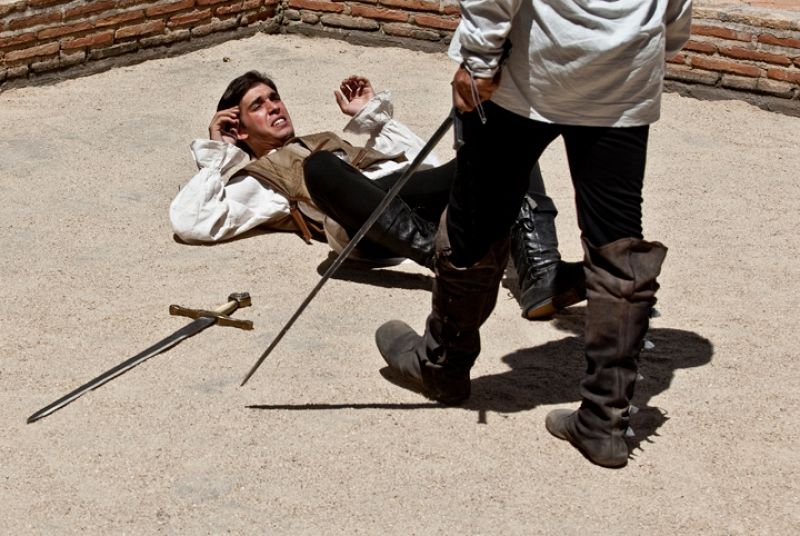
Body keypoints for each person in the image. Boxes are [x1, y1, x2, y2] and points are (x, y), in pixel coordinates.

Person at [375, 0, 692, 468]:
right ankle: (605, 420)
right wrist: (646, 42)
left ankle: (443, 365)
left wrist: (479, 58)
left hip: (531, 72)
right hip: (624, 71)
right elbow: (676, 15)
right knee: (617, 243)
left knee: (476, 218)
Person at [170, 71, 585, 316]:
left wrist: (367, 119)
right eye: (258, 105)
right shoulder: (258, 179)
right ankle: (448, 264)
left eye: (275, 97)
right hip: (360, 234)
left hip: (404, 204)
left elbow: (420, 167)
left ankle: (540, 274)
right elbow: (192, 223)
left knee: (505, 151)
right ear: (238, 128)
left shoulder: (326, 138)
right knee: (319, 167)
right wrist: (219, 154)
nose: (275, 106)